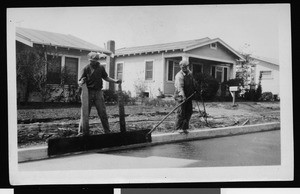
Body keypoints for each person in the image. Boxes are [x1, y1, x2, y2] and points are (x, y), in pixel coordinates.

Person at [78, 51, 121, 135]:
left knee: (102, 112)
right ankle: (81, 133)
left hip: (98, 92)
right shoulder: (86, 68)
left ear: (97, 60)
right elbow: (79, 81)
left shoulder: (101, 68)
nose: (92, 62)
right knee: (85, 113)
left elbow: (105, 77)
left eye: (94, 60)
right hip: (88, 92)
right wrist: (81, 82)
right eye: (91, 60)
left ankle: (107, 132)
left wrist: (115, 81)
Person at [174, 59, 195, 134]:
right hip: (180, 95)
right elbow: (180, 87)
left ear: (188, 66)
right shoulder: (179, 76)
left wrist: (195, 90)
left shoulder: (190, 73)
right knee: (181, 112)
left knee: (188, 111)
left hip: (189, 95)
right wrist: (183, 96)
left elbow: (192, 83)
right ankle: (178, 128)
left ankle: (184, 128)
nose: (184, 68)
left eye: (185, 66)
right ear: (180, 67)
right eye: (182, 67)